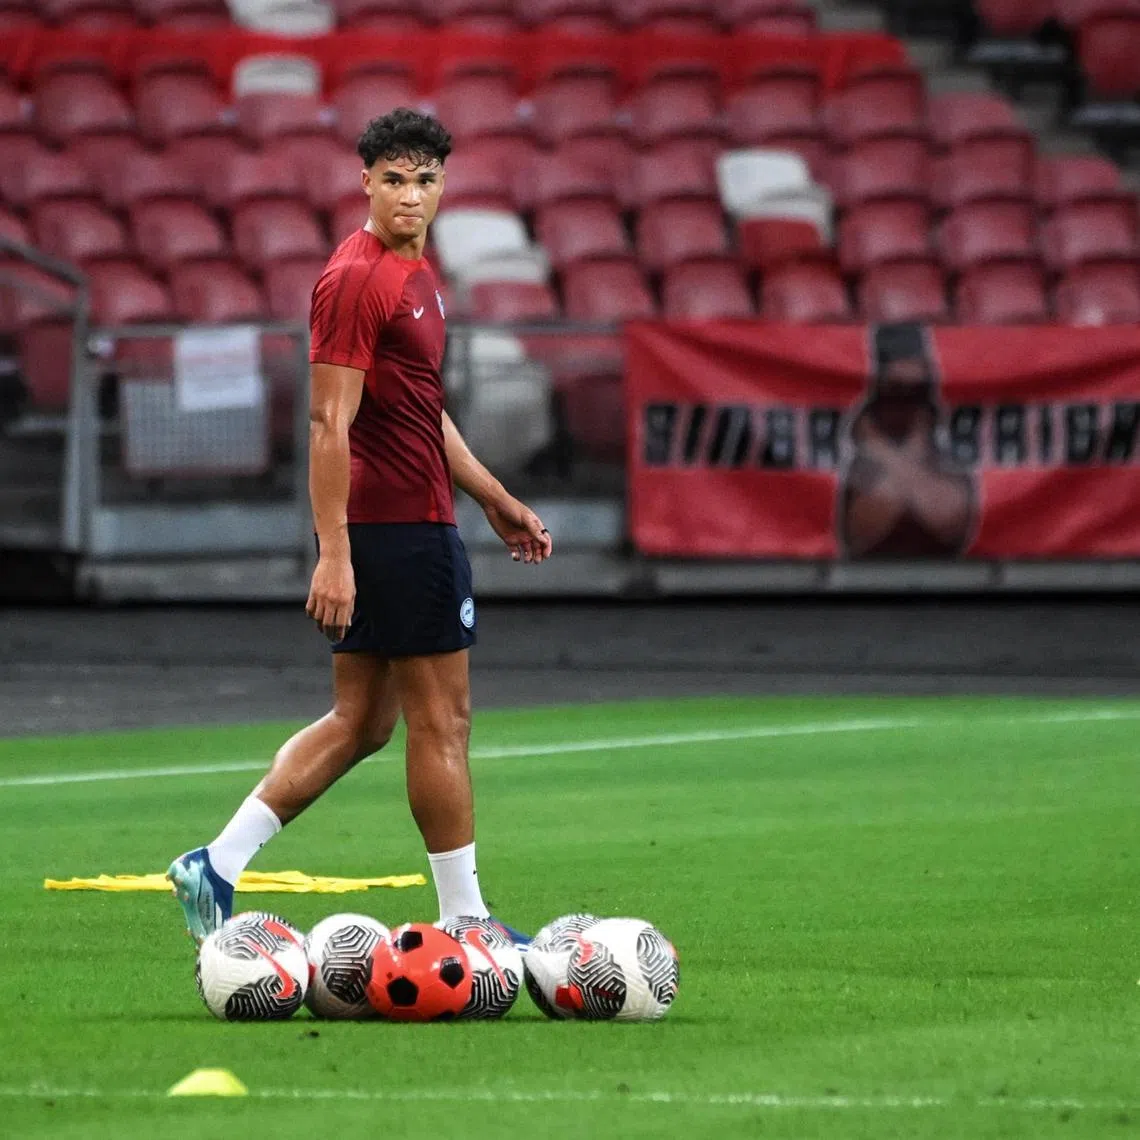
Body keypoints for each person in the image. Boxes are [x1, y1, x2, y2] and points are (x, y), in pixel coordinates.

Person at [167, 108, 552, 948]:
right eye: (393, 179)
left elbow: (418, 406)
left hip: (404, 520)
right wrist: (333, 554)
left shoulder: (418, 270)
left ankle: (218, 864)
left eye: (424, 179)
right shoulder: (357, 278)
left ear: (442, 184)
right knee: (442, 723)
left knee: (363, 723)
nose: (409, 196)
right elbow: (325, 425)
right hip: (396, 531)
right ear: (365, 182)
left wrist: (491, 494)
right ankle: (468, 921)